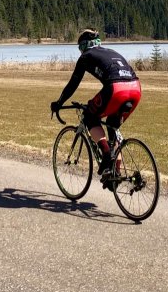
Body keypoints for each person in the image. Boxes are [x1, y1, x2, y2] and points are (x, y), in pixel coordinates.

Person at [51, 30, 141, 186]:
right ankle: (115, 174)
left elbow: (73, 84)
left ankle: (106, 155)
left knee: (90, 117)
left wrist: (59, 103)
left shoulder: (86, 56)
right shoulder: (111, 51)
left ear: (83, 46)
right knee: (112, 126)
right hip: (136, 88)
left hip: (116, 88)